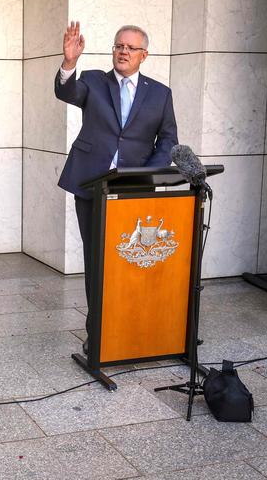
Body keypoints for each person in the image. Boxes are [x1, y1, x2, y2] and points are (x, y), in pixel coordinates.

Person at [54, 22, 178, 354]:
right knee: (97, 260)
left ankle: (129, 325)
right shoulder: (94, 81)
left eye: (130, 48)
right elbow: (67, 91)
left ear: (144, 55)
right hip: (92, 187)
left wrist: (142, 176)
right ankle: (97, 332)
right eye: (118, 46)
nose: (123, 51)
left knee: (132, 262)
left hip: (134, 192)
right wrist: (69, 63)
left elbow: (167, 142)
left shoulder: (160, 94)